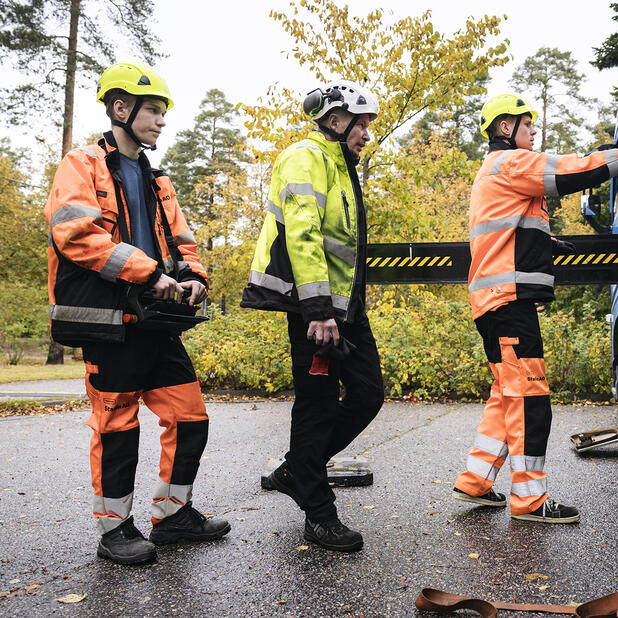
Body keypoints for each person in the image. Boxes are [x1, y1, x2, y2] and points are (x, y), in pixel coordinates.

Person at [452, 93, 618, 523]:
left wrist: (548, 243)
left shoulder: (494, 172)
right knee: (530, 401)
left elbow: (506, 233)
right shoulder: (511, 164)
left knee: (509, 394)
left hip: (495, 303)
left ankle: (475, 481)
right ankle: (530, 500)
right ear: (505, 128)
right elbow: (575, 171)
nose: (533, 132)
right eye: (526, 124)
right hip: (507, 303)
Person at [44, 61, 231, 564]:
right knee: (117, 426)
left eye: (163, 112)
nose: (161, 121)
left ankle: (173, 515)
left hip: (154, 321)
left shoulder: (158, 179)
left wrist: (194, 278)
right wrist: (151, 274)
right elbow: (76, 234)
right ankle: (115, 529)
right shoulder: (80, 165)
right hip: (107, 323)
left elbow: (184, 240)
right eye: (153, 110)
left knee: (191, 417)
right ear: (120, 108)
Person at [241, 80, 384, 552]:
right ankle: (318, 515)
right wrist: (318, 310)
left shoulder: (343, 166)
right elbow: (303, 235)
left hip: (345, 310)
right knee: (318, 406)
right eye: (361, 122)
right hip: (315, 310)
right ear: (335, 120)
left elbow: (342, 248)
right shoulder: (306, 156)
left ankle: (296, 470)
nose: (367, 132)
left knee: (368, 394)